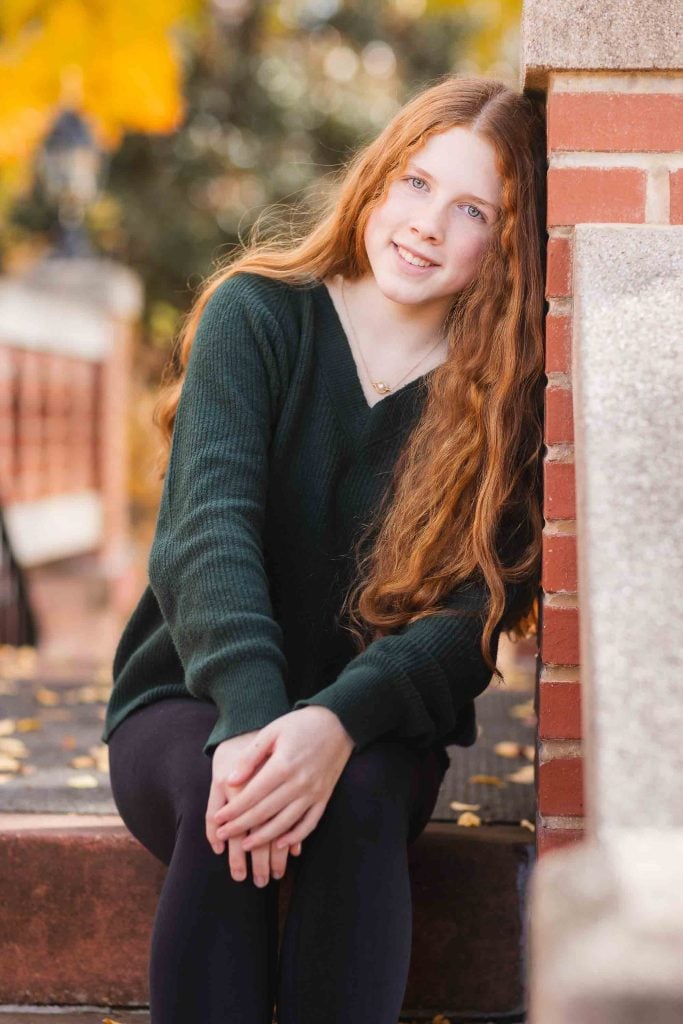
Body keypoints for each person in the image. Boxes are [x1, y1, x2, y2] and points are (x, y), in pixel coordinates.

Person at [102, 73, 546, 1024]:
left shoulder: (506, 399)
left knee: (359, 804)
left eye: (472, 210)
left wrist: (335, 723)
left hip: (376, 725)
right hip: (190, 696)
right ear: (377, 180)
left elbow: (467, 618)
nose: (427, 223)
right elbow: (204, 533)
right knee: (233, 805)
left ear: (507, 247)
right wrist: (262, 721)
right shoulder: (258, 315)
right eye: (416, 184)